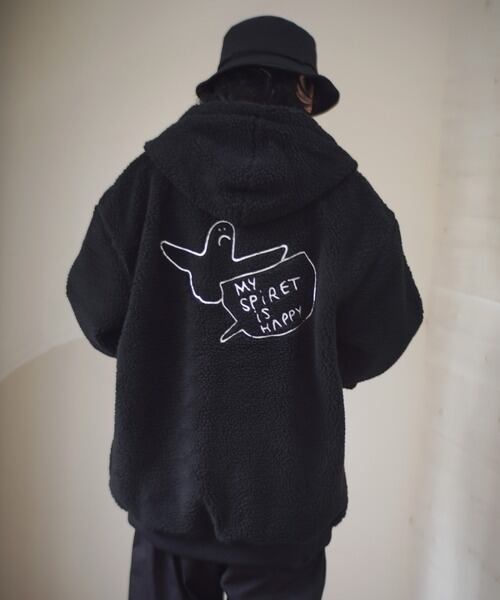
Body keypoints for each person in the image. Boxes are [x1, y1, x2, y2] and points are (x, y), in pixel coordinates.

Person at [66, 14, 424, 600]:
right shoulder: (350, 200)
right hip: (285, 515)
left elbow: (97, 308)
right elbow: (386, 328)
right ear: (304, 88)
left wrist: (160, 340)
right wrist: (311, 353)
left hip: (166, 498)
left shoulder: (147, 182)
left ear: (221, 84)